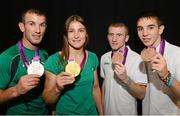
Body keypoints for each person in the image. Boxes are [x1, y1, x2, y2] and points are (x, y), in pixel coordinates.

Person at [42, 14, 103, 115]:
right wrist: (57, 88)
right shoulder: (53, 61)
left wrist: (101, 113)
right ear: (66, 35)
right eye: (71, 31)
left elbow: (95, 88)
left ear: (86, 34)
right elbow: (47, 100)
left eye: (81, 30)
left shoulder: (93, 57)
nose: (76, 35)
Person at [0, 8, 48, 115]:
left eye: (42, 25)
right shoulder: (8, 57)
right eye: (32, 24)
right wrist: (16, 90)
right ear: (22, 27)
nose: (38, 30)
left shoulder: (45, 55)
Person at [136, 10, 180, 115]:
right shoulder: (141, 56)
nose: (144, 33)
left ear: (160, 29)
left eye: (150, 28)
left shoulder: (177, 53)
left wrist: (166, 75)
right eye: (140, 29)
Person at [100, 22, 147, 115]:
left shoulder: (137, 59)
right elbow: (104, 85)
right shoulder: (104, 57)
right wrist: (102, 112)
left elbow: (142, 94)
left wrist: (126, 79)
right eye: (111, 34)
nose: (114, 39)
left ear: (126, 38)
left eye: (119, 35)